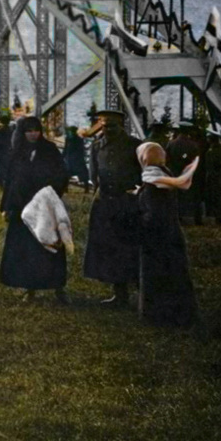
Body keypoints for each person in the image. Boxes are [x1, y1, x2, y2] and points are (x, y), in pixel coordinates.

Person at [0, 116, 70, 303]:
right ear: (22, 132)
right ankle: (29, 289)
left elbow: (62, 174)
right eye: (29, 130)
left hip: (45, 206)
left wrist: (51, 196)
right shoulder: (16, 153)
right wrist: (6, 206)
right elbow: (10, 182)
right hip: (22, 207)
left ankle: (58, 289)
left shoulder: (50, 150)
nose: (33, 134)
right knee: (26, 250)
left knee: (51, 246)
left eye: (36, 130)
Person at [135, 142, 200, 327]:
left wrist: (140, 221)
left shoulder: (151, 181)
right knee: (175, 274)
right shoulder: (164, 173)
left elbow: (153, 211)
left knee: (157, 276)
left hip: (155, 236)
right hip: (171, 233)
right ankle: (181, 314)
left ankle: (159, 317)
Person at [83, 110, 142, 308]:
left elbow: (144, 174)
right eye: (104, 125)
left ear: (121, 126)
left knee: (129, 248)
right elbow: (94, 173)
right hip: (105, 203)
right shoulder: (97, 145)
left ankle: (143, 293)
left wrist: (135, 195)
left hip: (126, 203)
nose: (107, 130)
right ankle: (120, 294)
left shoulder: (134, 145)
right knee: (109, 249)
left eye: (112, 126)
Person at [167, 123, 204, 224]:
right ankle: (197, 218)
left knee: (176, 196)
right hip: (189, 173)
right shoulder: (193, 145)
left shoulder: (171, 144)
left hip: (175, 173)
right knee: (194, 196)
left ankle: (178, 216)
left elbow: (167, 159)